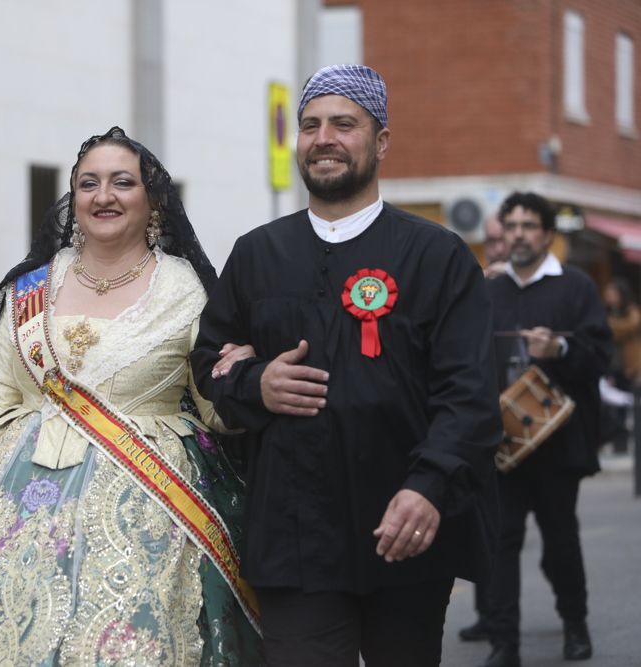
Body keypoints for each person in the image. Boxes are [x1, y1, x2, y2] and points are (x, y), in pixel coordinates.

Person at [0, 127, 262, 665]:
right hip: (9, 505)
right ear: (73, 199)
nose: (103, 196)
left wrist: (245, 373)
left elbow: (213, 412)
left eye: (121, 182)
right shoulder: (32, 288)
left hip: (144, 510)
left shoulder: (184, 289)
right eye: (89, 183)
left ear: (152, 200)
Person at [191, 64, 501, 666]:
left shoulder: (436, 255)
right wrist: (258, 383)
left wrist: (430, 486)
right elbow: (210, 363)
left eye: (344, 124)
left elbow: (470, 394)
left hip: (405, 528)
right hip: (294, 535)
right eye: (310, 125)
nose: (323, 137)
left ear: (380, 141)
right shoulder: (257, 254)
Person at [479, 192, 612, 667]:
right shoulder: (488, 289)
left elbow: (601, 358)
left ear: (548, 235)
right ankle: (504, 644)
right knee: (501, 542)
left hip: (558, 442)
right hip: (501, 444)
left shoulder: (575, 287)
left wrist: (559, 351)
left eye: (528, 225)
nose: (517, 234)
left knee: (560, 540)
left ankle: (574, 623)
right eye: (510, 225)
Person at [458, 213, 510, 642]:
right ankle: (494, 622)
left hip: (526, 427)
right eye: (490, 239)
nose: (497, 247)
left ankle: (573, 622)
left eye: (503, 238)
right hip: (483, 430)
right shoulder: (478, 280)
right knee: (491, 531)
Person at [602, 277, 641, 454]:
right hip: (611, 366)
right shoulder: (606, 313)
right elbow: (601, 331)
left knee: (628, 405)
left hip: (629, 366)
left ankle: (625, 442)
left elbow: (631, 326)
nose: (610, 297)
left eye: (613, 293)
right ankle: (618, 441)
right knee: (613, 407)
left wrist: (611, 326)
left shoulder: (631, 311)